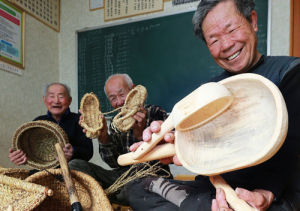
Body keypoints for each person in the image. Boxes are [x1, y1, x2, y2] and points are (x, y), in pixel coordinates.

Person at [128, 0, 300, 211]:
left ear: (253, 21)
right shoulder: (209, 89)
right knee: (139, 188)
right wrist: (168, 142)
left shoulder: (290, 71)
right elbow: (193, 144)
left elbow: (292, 147)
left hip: (274, 192)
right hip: (215, 190)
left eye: (232, 29)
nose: (226, 45)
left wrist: (267, 193)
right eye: (214, 40)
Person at [68, 73, 172, 205]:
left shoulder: (155, 112)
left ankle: (100, 194)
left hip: (151, 175)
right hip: (122, 175)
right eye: (113, 98)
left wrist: (140, 135)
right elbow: (114, 163)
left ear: (133, 90)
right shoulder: (116, 123)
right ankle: (102, 192)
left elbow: (167, 152)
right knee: (74, 165)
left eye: (122, 95)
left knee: (129, 191)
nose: (119, 102)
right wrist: (103, 135)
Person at [9, 83, 93, 168]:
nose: (56, 101)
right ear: (44, 100)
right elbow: (30, 152)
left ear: (69, 100)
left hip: (74, 172)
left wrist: (73, 152)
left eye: (61, 96)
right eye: (51, 96)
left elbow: (88, 151)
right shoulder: (38, 122)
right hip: (45, 173)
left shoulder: (79, 120)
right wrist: (19, 156)